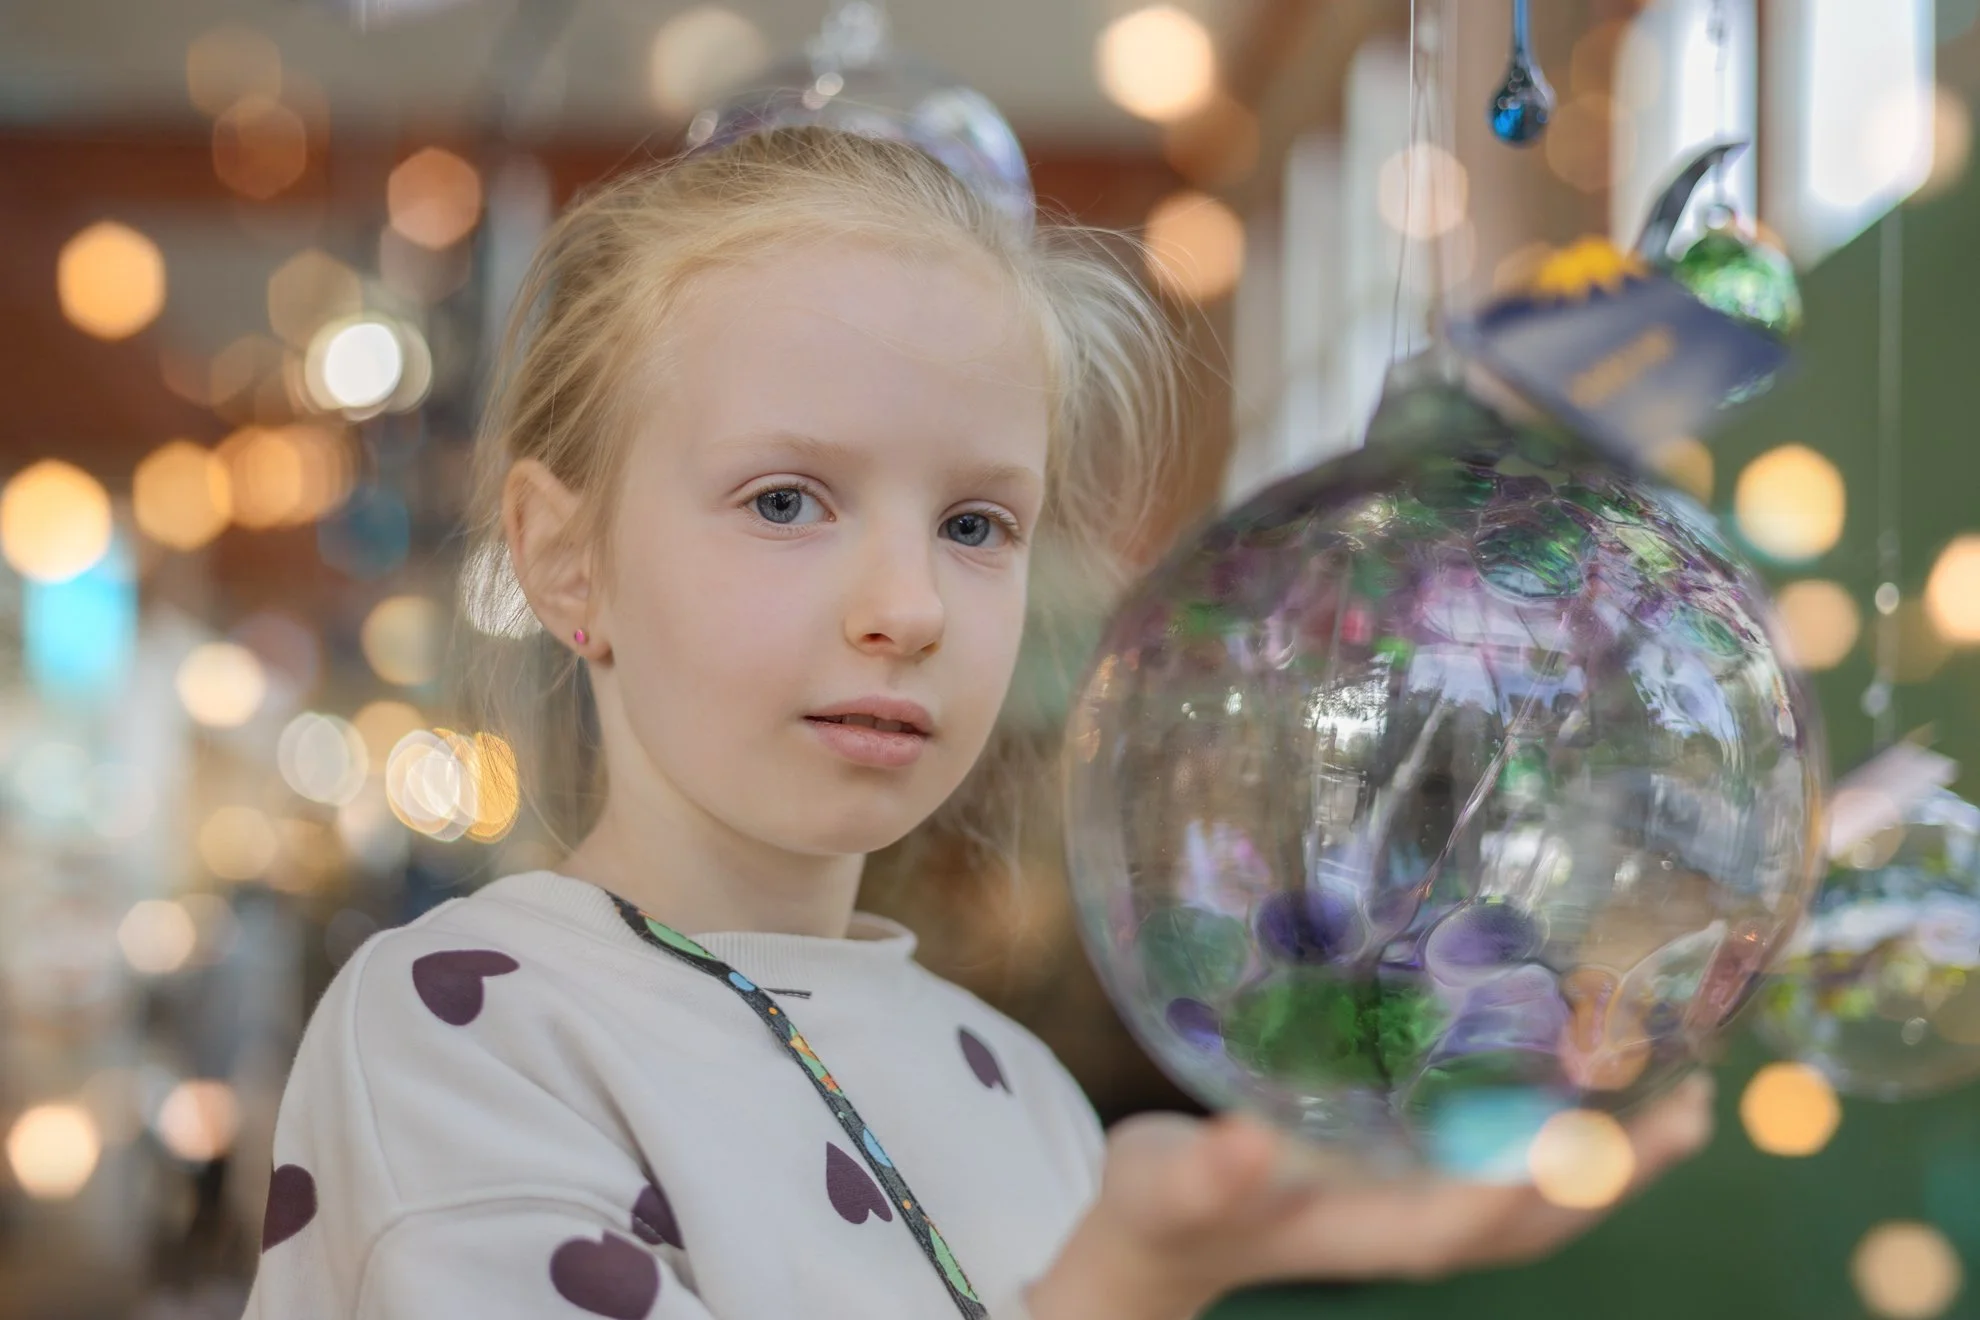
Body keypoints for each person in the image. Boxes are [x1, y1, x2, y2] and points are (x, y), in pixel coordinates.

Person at [242, 127, 1714, 1320]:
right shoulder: (463, 1024)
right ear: (566, 559)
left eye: (974, 521)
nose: (912, 605)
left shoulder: (1020, 1094)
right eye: (784, 500)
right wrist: (1118, 1295)